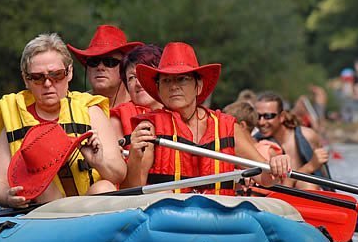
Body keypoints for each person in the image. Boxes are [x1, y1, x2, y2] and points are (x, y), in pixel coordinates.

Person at [125, 42, 290, 193]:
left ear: (199, 86)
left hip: (219, 219)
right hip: (169, 220)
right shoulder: (149, 128)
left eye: (182, 79)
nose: (174, 86)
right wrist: (134, 158)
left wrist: (276, 164)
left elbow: (264, 178)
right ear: (159, 89)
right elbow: (132, 191)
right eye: (166, 81)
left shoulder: (228, 127)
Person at [0, 33, 125, 208]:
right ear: (26, 79)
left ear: (69, 72)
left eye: (56, 75)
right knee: (41, 187)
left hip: (90, 210)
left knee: (104, 187)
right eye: (38, 77)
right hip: (45, 211)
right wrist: (7, 196)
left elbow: (119, 174)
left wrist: (99, 162)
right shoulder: (14, 119)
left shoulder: (91, 112)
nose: (48, 84)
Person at [252, 91, 331, 191]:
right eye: (258, 116)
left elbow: (324, 175)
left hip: (308, 193)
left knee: (307, 184)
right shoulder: (255, 142)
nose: (261, 122)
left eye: (268, 116)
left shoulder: (308, 135)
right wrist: (310, 166)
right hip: (275, 198)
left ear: (282, 117)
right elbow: (284, 185)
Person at [67, 24, 142, 108]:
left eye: (109, 62)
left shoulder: (141, 106)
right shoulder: (74, 107)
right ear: (87, 68)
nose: (100, 67)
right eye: (94, 62)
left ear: (124, 68)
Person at [109, 44, 163, 148]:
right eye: (132, 77)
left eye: (145, 74)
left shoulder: (184, 113)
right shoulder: (116, 121)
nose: (138, 83)